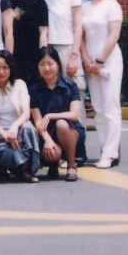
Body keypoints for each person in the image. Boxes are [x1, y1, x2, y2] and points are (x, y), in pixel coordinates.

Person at [79, 0, 124, 168]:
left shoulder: (112, 5)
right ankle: (105, 149)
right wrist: (86, 59)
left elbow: (114, 36)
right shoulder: (85, 6)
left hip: (110, 62)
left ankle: (111, 153)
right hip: (90, 63)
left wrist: (99, 61)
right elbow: (81, 36)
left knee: (110, 107)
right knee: (97, 108)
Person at [0, 51, 40, 182]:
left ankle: (25, 170)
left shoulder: (20, 84)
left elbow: (26, 113)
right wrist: (6, 136)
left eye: (5, 67)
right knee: (6, 152)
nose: (1, 71)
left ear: (11, 68)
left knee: (28, 127)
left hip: (19, 130)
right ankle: (5, 166)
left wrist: (14, 127)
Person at [30, 47, 85, 181]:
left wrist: (50, 116)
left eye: (50, 64)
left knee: (61, 124)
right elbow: (38, 121)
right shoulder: (34, 89)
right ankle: (53, 164)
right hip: (47, 133)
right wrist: (48, 140)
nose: (47, 68)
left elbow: (74, 115)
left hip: (71, 131)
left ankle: (71, 165)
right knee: (53, 152)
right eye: (42, 64)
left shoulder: (70, 85)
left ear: (58, 65)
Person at [41, 0, 84, 91]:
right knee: (52, 88)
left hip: (68, 47)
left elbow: (78, 27)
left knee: (76, 88)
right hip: (50, 48)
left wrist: (74, 55)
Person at [5, 0, 51, 83]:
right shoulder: (6, 2)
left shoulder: (38, 1)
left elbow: (43, 33)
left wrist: (42, 58)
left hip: (34, 55)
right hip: (13, 55)